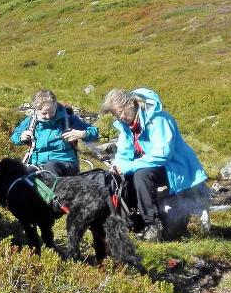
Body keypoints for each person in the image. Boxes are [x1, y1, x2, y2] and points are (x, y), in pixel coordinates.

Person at [101, 88, 208, 242]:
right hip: (150, 165)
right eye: (116, 114)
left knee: (140, 175)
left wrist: (128, 166)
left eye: (121, 112)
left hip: (175, 167)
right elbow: (123, 153)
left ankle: (151, 224)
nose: (121, 117)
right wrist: (117, 166)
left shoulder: (159, 120)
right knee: (120, 178)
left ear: (131, 103)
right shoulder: (126, 126)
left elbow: (162, 155)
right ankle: (129, 223)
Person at [11, 89, 99, 177]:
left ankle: (53, 190)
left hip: (65, 163)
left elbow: (94, 132)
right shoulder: (30, 122)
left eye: (52, 112)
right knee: (23, 175)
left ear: (56, 105)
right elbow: (14, 137)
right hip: (37, 164)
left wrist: (83, 134)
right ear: (36, 109)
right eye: (44, 113)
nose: (48, 116)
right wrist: (21, 137)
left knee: (51, 166)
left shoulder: (68, 119)